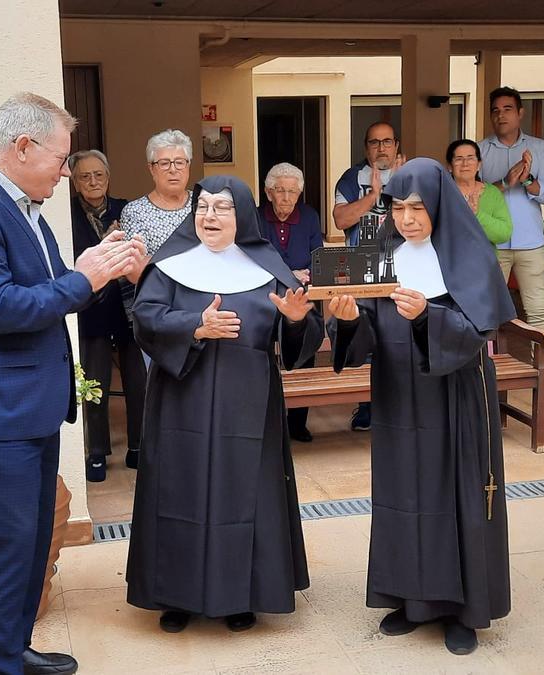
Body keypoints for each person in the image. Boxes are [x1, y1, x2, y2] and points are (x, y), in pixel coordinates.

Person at [0, 92, 144, 675]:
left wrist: (94, 264)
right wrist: (86, 278)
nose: (66, 171)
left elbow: (34, 289)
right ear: (22, 147)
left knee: (26, 546)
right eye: (61, 158)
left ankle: (11, 649)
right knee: (4, 552)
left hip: (23, 408)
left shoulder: (16, 205)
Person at [328, 158, 515, 656]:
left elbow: (479, 333)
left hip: (454, 397)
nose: (406, 218)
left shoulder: (469, 255)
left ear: (438, 206)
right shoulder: (378, 254)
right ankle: (409, 599)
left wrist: (425, 318)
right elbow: (361, 327)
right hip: (397, 395)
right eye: (396, 207)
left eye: (417, 208)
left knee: (454, 494)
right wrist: (347, 320)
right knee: (403, 492)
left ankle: (462, 611)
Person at [126, 175, 323, 634]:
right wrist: (195, 326)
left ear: (244, 216)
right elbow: (146, 319)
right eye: (203, 207)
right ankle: (176, 596)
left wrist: (296, 322)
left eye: (222, 208)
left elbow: (299, 342)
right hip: (180, 402)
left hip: (249, 404)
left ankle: (242, 595)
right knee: (179, 491)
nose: (209, 216)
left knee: (245, 495)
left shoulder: (270, 269)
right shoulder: (170, 265)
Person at [68, 149, 147, 482]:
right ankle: (97, 452)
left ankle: (139, 448)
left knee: (138, 382)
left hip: (129, 309)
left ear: (108, 177)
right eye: (85, 176)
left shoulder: (125, 210)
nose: (93, 181)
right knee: (94, 384)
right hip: (92, 310)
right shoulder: (67, 214)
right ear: (74, 182)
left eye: (99, 174)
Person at [479, 86, 544, 395]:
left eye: (507, 109)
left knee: (537, 309)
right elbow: (474, 197)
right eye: (495, 110)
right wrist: (505, 180)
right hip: (492, 243)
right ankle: (488, 368)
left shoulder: (539, 148)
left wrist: (527, 179)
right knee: (490, 309)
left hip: (529, 242)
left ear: (520, 113)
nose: (501, 115)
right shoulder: (481, 150)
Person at [333, 121, 404, 429]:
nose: (381, 148)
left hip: (402, 269)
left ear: (396, 145)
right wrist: (373, 196)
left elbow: (419, 221)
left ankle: (399, 405)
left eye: (386, 142)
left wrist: (398, 189)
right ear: (366, 147)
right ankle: (367, 407)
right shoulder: (351, 178)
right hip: (360, 272)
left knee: (398, 338)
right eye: (374, 142)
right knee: (365, 339)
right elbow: (340, 219)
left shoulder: (409, 174)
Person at [260, 162, 324, 442]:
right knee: (263, 356)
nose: (286, 197)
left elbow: (317, 255)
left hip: (303, 295)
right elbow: (257, 255)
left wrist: (299, 275)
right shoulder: (257, 217)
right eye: (280, 190)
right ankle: (268, 420)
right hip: (267, 296)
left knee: (304, 351)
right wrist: (289, 273)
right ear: (268, 192)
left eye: (292, 192)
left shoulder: (309, 216)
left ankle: (298, 422)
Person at [119, 129, 195, 317]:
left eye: (179, 162)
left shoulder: (203, 205)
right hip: (158, 310)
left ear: (188, 166)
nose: (173, 169)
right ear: (152, 169)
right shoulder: (135, 212)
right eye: (164, 163)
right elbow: (135, 271)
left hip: (202, 306)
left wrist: (156, 263)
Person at [446, 139, 512, 244]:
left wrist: (477, 215)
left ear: (478, 165)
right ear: (450, 166)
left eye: (470, 158)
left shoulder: (492, 193)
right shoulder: (442, 193)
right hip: (448, 258)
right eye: (459, 159)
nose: (465, 164)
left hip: (484, 259)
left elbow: (504, 234)